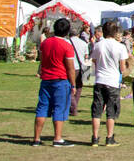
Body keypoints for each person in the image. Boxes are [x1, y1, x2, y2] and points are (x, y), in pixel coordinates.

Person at [32, 17, 78, 147]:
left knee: (42, 107)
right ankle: (57, 138)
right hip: (60, 79)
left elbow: (42, 60)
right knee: (60, 108)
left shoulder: (45, 43)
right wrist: (73, 84)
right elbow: (70, 68)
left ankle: (36, 138)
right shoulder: (66, 45)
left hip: (46, 79)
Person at [90, 20, 131, 147]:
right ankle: (109, 137)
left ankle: (95, 138)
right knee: (111, 111)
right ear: (115, 32)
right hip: (112, 80)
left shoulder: (98, 45)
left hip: (100, 79)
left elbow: (94, 61)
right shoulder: (120, 47)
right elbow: (122, 67)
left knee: (97, 110)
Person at [68, 27, 90, 116]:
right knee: (79, 87)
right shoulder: (83, 43)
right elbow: (86, 56)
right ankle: (74, 106)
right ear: (78, 34)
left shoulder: (67, 42)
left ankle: (73, 107)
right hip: (81, 67)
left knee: (69, 87)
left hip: (70, 67)